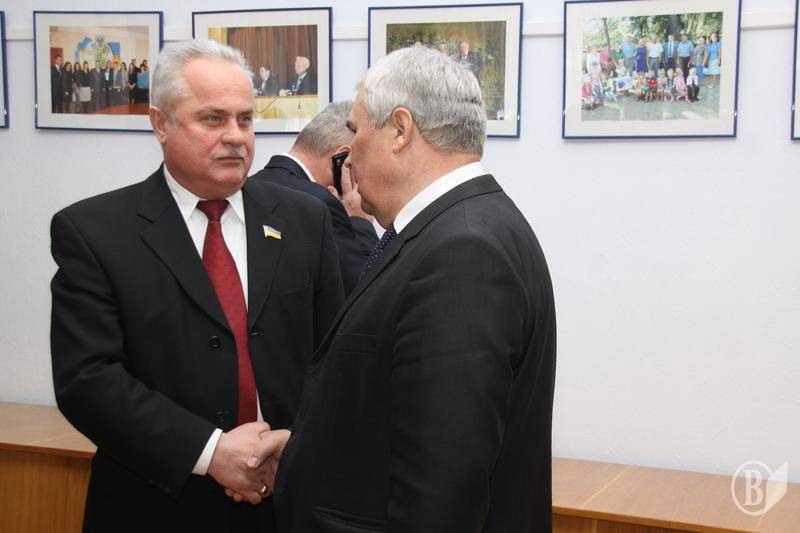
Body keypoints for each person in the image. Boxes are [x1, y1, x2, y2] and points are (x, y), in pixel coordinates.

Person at [251, 46, 556, 533]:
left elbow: (442, 489)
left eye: (355, 130)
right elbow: (406, 413)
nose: (348, 152)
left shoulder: (462, 251)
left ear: (399, 129)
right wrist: (309, 448)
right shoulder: (457, 227)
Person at [50, 39, 344, 533]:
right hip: (155, 505)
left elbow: (335, 358)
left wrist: (295, 442)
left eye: (245, 119)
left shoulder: (305, 219)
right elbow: (88, 380)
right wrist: (210, 452)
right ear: (160, 124)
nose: (236, 137)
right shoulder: (94, 232)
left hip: (286, 500)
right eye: (213, 119)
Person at [251, 101, 377, 296]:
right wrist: (359, 220)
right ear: (342, 160)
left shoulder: (252, 185)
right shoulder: (322, 204)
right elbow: (365, 289)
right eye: (358, 163)